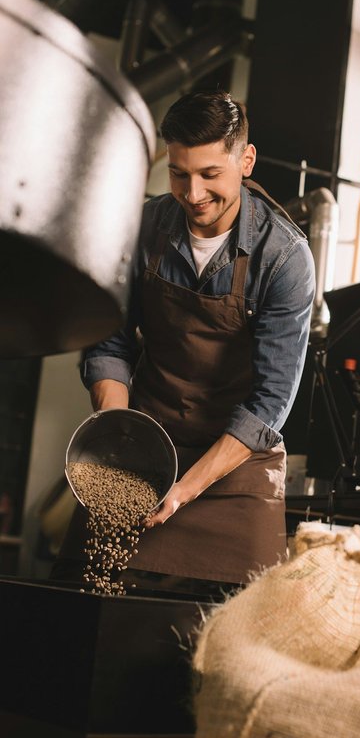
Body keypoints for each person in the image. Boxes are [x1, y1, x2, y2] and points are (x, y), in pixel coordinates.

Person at [56, 88, 315, 590]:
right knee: (76, 595)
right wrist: (116, 429)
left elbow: (270, 402)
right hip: (144, 447)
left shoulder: (284, 258)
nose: (192, 193)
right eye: (179, 173)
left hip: (235, 467)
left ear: (246, 159)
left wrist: (184, 489)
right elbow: (110, 339)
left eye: (210, 175)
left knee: (235, 626)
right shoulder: (146, 226)